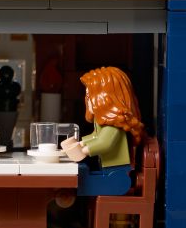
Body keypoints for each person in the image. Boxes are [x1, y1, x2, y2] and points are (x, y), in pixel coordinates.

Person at [60, 66, 147, 197]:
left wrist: (84, 151)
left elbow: (104, 143)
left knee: (82, 180)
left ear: (105, 97)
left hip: (117, 175)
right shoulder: (104, 122)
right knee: (82, 174)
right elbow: (96, 136)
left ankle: (68, 192)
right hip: (110, 171)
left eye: (90, 95)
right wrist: (81, 143)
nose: (87, 99)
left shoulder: (114, 125)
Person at [0, 64, 23, 149]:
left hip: (11, 109)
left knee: (7, 133)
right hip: (0, 109)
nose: (6, 76)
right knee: (3, 132)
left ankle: (6, 142)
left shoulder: (15, 86)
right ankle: (4, 141)